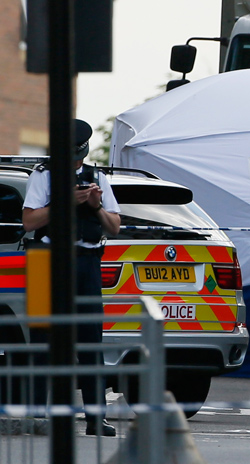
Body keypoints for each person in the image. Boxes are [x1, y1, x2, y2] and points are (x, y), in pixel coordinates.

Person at [22, 119, 121, 436]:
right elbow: (29, 222)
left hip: (86, 261)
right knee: (42, 340)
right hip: (45, 261)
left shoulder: (98, 178)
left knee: (91, 343)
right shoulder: (43, 176)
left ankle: (96, 417)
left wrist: (95, 205)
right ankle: (38, 414)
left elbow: (114, 226)